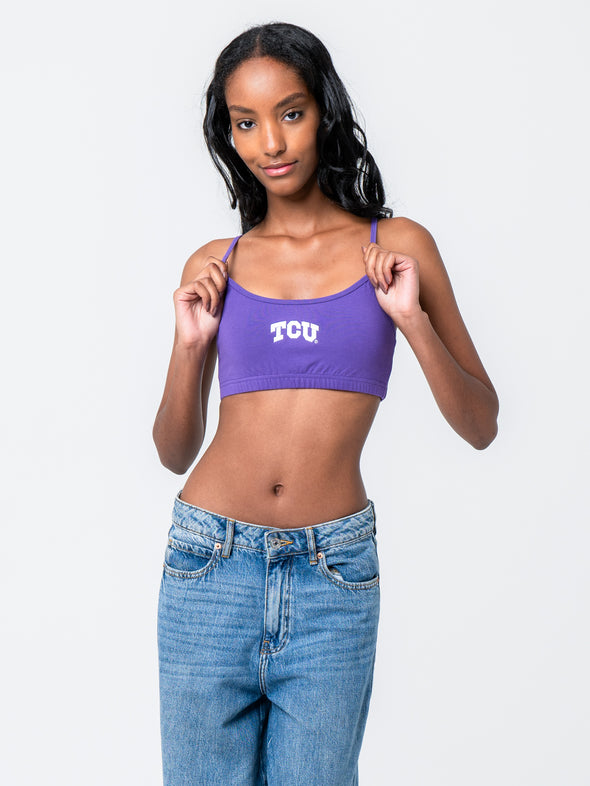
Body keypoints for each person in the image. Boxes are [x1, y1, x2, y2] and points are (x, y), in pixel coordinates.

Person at [152, 21, 499, 786]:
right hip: (209, 566)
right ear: (228, 135)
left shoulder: (398, 245)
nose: (271, 142)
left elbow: (482, 424)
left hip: (331, 578)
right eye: (246, 122)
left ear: (324, 112)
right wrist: (189, 344)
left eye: (290, 113)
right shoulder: (216, 263)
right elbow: (174, 451)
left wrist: (411, 321)